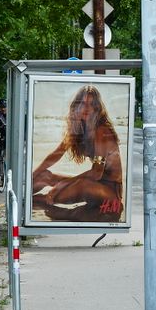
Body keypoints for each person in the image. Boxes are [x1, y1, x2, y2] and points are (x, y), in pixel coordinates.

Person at [31, 85, 124, 222]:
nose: (87, 108)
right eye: (83, 103)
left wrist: (61, 186)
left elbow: (96, 173)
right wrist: (34, 175)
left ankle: (35, 203)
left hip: (109, 192)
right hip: (96, 184)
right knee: (44, 176)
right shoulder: (81, 128)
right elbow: (57, 153)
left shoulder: (102, 130)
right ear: (77, 106)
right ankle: (22, 199)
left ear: (97, 108)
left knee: (80, 185)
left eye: (91, 104)